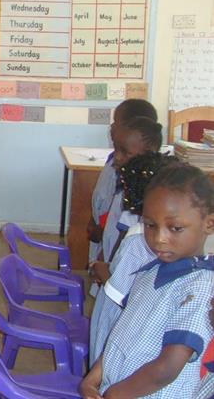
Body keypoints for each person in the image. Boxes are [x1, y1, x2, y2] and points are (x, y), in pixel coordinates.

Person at [80, 164, 214, 399]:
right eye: (150, 225)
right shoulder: (148, 272)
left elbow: (167, 368)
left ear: (209, 224)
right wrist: (93, 378)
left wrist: (114, 394)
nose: (159, 238)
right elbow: (122, 333)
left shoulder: (200, 287)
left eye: (175, 228)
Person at [88, 152, 178, 365]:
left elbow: (116, 286)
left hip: (122, 325)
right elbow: (121, 290)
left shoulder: (139, 239)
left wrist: (99, 268)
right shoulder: (146, 240)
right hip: (120, 327)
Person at [88, 117, 163, 295]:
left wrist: (108, 268)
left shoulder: (143, 198)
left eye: (125, 152)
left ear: (149, 153)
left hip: (120, 275)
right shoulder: (127, 188)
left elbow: (124, 240)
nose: (117, 158)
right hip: (111, 265)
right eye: (116, 149)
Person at [88, 99, 158, 265]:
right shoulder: (119, 163)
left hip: (115, 252)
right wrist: (94, 220)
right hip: (105, 235)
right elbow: (102, 199)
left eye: (117, 122)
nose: (112, 127)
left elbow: (124, 231)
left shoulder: (138, 186)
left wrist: (105, 260)